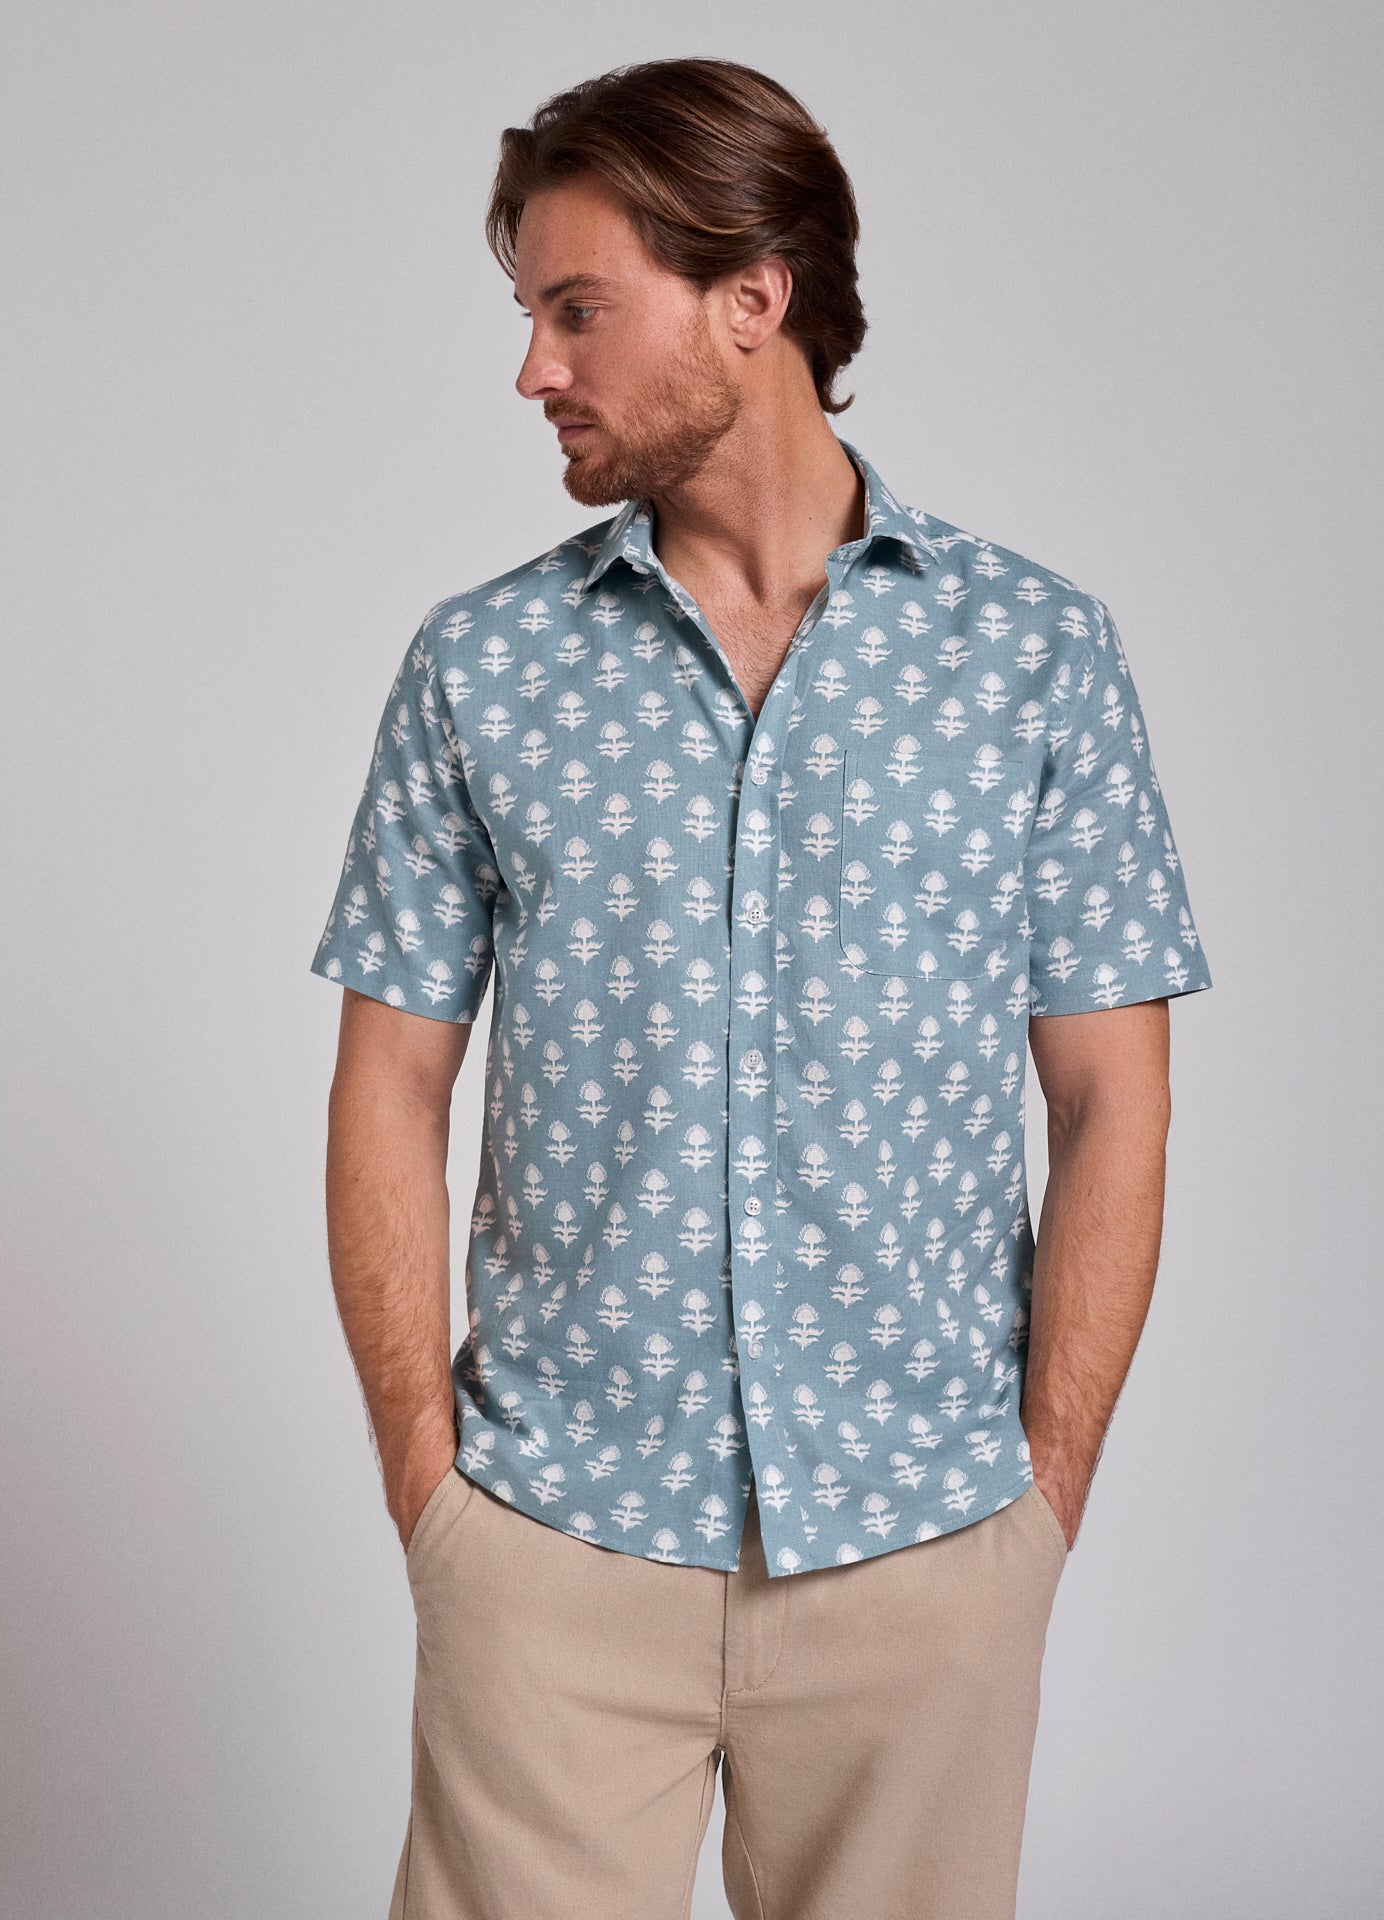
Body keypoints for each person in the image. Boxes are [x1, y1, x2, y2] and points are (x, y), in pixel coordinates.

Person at [310, 56, 1214, 1920]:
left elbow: (1112, 1095)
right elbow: (388, 1082)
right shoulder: (482, 669)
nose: (534, 368)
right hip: (554, 1540)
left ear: (752, 296)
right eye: (531, 315)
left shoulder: (1033, 657)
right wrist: (431, 1490)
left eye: (579, 310)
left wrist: (1039, 1504)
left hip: (924, 1547)